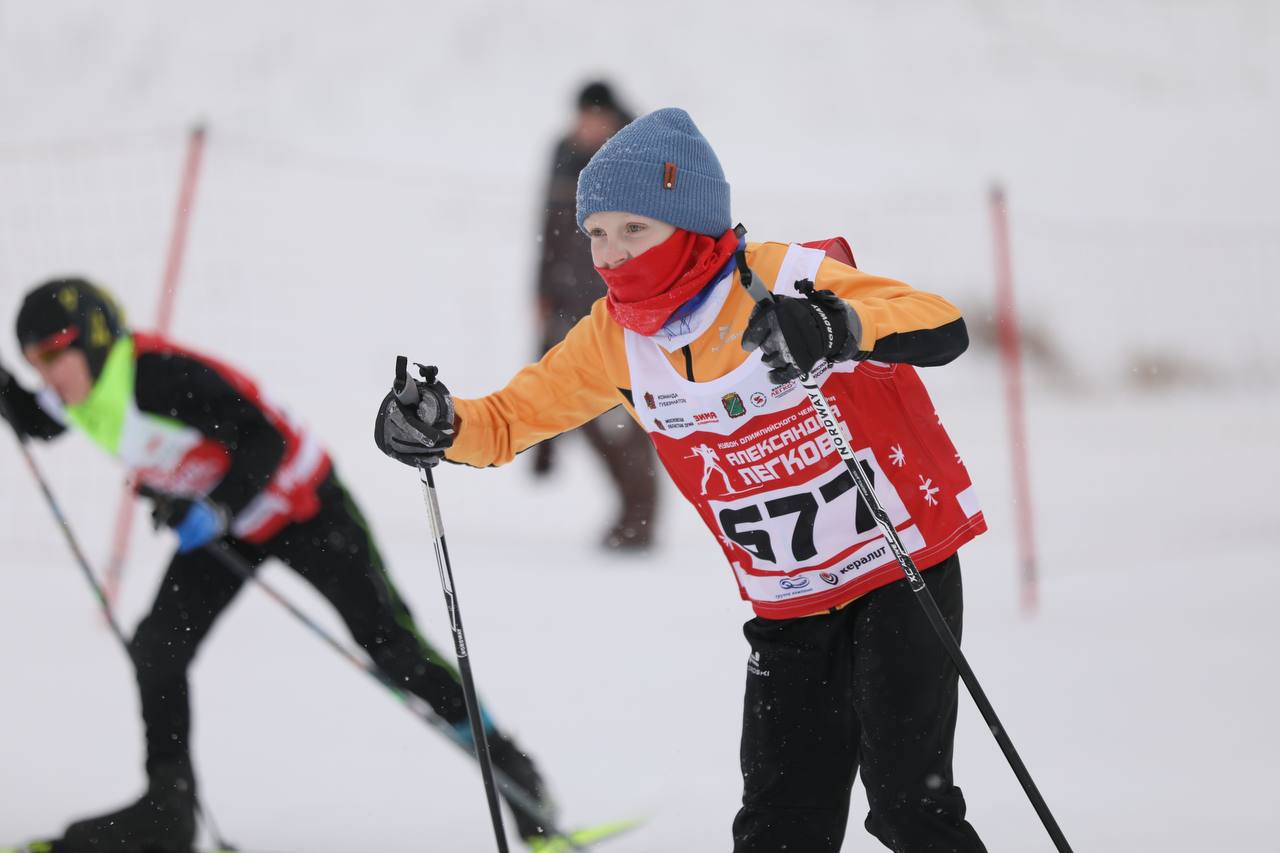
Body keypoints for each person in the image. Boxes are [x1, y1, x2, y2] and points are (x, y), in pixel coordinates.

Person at [375, 107, 990, 852]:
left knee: (908, 810)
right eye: (596, 232)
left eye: (634, 229)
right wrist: (438, 426)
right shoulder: (615, 336)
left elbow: (938, 322)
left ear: (692, 221)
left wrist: (834, 326)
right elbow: (508, 419)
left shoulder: (775, 276)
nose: (610, 254)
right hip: (790, 600)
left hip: (894, 571)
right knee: (778, 829)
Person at [0, 279, 554, 853]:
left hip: (304, 508)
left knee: (391, 646)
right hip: (230, 529)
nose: (45, 372)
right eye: (33, 360)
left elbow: (261, 435)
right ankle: (167, 811)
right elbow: (36, 421)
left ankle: (514, 774)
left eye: (53, 351)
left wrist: (213, 505)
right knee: (159, 646)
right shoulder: (78, 393)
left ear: (91, 335)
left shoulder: (155, 375)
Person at [530, 80, 659, 551]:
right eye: (581, 117)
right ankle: (632, 511)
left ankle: (640, 518)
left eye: (595, 118)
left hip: (621, 303)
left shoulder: (634, 157)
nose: (586, 127)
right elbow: (546, 224)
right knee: (581, 408)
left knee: (626, 410)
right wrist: (541, 291)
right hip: (568, 301)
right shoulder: (562, 152)